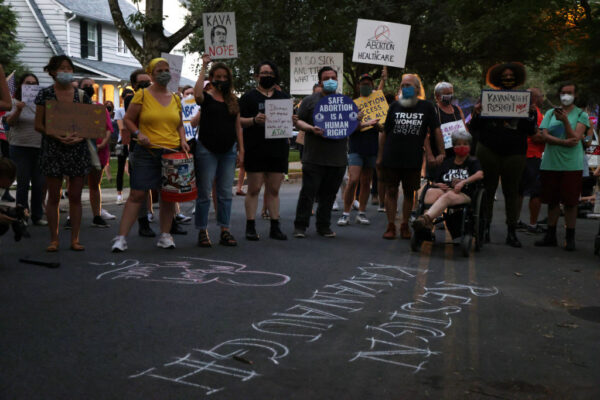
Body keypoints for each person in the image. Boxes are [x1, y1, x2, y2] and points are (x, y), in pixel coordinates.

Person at [111, 57, 190, 252]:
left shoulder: (175, 97)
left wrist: (183, 140)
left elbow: (179, 123)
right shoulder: (143, 95)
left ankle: (165, 235)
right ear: (152, 74)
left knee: (168, 196)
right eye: (159, 70)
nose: (164, 73)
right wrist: (139, 134)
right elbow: (129, 120)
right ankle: (121, 238)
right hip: (147, 151)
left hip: (171, 153)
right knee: (138, 193)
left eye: (166, 70)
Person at [469, 62, 537, 247]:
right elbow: (474, 127)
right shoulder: (487, 99)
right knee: (487, 189)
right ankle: (484, 227)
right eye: (504, 76)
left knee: (512, 191)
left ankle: (512, 231)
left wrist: (530, 115)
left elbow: (531, 131)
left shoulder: (525, 101)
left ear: (517, 78)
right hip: (488, 149)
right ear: (497, 79)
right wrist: (476, 113)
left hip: (514, 151)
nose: (508, 79)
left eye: (511, 76)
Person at [34, 55, 91, 251]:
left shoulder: (82, 95)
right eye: (61, 68)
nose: (66, 71)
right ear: (52, 72)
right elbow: (38, 125)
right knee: (54, 195)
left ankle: (75, 239)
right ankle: (54, 239)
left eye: (69, 68)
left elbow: (91, 124)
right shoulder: (45, 94)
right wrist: (57, 135)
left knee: (75, 195)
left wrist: (80, 137)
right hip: (53, 148)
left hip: (77, 149)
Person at [378, 74, 444, 240]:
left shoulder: (427, 107)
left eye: (409, 85)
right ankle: (391, 225)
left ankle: (405, 224)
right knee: (391, 190)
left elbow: (435, 131)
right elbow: (384, 133)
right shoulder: (394, 106)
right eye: (403, 85)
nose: (405, 88)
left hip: (413, 158)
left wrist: (441, 152)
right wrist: (379, 157)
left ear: (417, 88)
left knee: (409, 192)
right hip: (391, 156)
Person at [240, 60, 295, 241]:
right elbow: (239, 121)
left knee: (274, 189)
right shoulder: (248, 98)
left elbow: (290, 121)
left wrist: (293, 119)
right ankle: (250, 226)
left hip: (278, 148)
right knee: (254, 188)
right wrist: (254, 120)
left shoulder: (284, 97)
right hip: (256, 147)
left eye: (270, 73)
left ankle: (275, 226)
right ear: (256, 76)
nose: (267, 76)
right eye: (263, 73)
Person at [193, 55, 243, 247]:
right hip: (206, 149)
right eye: (218, 76)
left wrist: (241, 150)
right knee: (204, 192)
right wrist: (204, 66)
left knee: (225, 193)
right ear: (211, 78)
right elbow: (197, 94)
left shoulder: (232, 100)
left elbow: (238, 126)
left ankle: (225, 230)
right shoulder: (206, 98)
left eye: (224, 77)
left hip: (228, 150)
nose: (221, 80)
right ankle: (202, 231)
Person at [293, 66, 347, 238]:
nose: (330, 80)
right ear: (320, 81)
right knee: (308, 193)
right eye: (326, 78)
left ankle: (323, 226)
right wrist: (311, 128)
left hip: (337, 158)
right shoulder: (309, 101)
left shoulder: (345, 102)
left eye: (333, 77)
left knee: (329, 195)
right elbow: (298, 122)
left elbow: (353, 126)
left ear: (337, 80)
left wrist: (363, 120)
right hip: (314, 157)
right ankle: (300, 226)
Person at [535, 82, 590, 251]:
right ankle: (550, 235)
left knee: (570, 202)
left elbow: (575, 138)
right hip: (551, 163)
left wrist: (565, 121)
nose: (566, 96)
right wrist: (562, 142)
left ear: (575, 95)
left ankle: (570, 237)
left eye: (569, 93)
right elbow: (542, 134)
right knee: (551, 201)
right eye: (563, 93)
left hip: (571, 164)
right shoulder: (551, 113)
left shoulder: (581, 115)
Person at [338, 69, 387, 227]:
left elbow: (382, 129)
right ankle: (346, 213)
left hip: (372, 147)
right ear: (358, 86)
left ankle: (362, 213)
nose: (365, 86)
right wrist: (360, 122)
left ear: (372, 85)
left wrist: (378, 125)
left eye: (368, 84)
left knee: (366, 182)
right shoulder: (352, 104)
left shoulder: (377, 101)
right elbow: (348, 128)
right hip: (356, 147)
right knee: (353, 180)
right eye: (363, 84)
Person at [413, 131, 484, 233]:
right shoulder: (447, 162)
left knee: (449, 195)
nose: (461, 146)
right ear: (453, 146)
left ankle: (425, 219)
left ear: (469, 146)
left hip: (463, 193)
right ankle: (426, 227)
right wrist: (437, 185)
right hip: (445, 191)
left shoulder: (472, 161)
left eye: (465, 144)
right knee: (430, 192)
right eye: (458, 144)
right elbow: (436, 181)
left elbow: (480, 174)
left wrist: (463, 182)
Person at [5, 73, 47, 226]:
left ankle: (37, 215)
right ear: (21, 85)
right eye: (27, 82)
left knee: (38, 183)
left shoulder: (41, 104)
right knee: (23, 183)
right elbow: (9, 123)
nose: (31, 85)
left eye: (34, 83)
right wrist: (18, 109)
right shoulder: (14, 102)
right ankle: (22, 215)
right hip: (20, 147)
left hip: (39, 147)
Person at [79, 77, 114, 228]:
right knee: (76, 184)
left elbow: (108, 129)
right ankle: (71, 216)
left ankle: (97, 215)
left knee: (95, 184)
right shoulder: (74, 108)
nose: (88, 87)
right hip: (79, 151)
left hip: (98, 151)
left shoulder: (100, 108)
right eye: (85, 85)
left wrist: (103, 144)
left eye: (90, 85)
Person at [517, 88, 546, 234]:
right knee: (536, 191)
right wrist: (551, 137)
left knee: (519, 190)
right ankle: (533, 224)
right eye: (541, 95)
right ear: (534, 98)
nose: (543, 98)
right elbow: (536, 136)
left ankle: (515, 221)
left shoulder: (522, 111)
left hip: (522, 154)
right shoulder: (535, 113)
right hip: (532, 156)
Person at [426, 82, 468, 177]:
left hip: (457, 155)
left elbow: (465, 129)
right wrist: (430, 155)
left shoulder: (457, 109)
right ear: (437, 96)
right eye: (447, 94)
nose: (450, 96)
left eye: (451, 93)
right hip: (440, 157)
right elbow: (425, 135)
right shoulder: (433, 111)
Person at [114, 88, 134, 205]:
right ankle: (119, 194)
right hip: (123, 142)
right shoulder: (120, 110)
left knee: (133, 169)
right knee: (120, 168)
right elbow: (122, 128)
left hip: (134, 141)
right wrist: (127, 142)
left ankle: (133, 192)